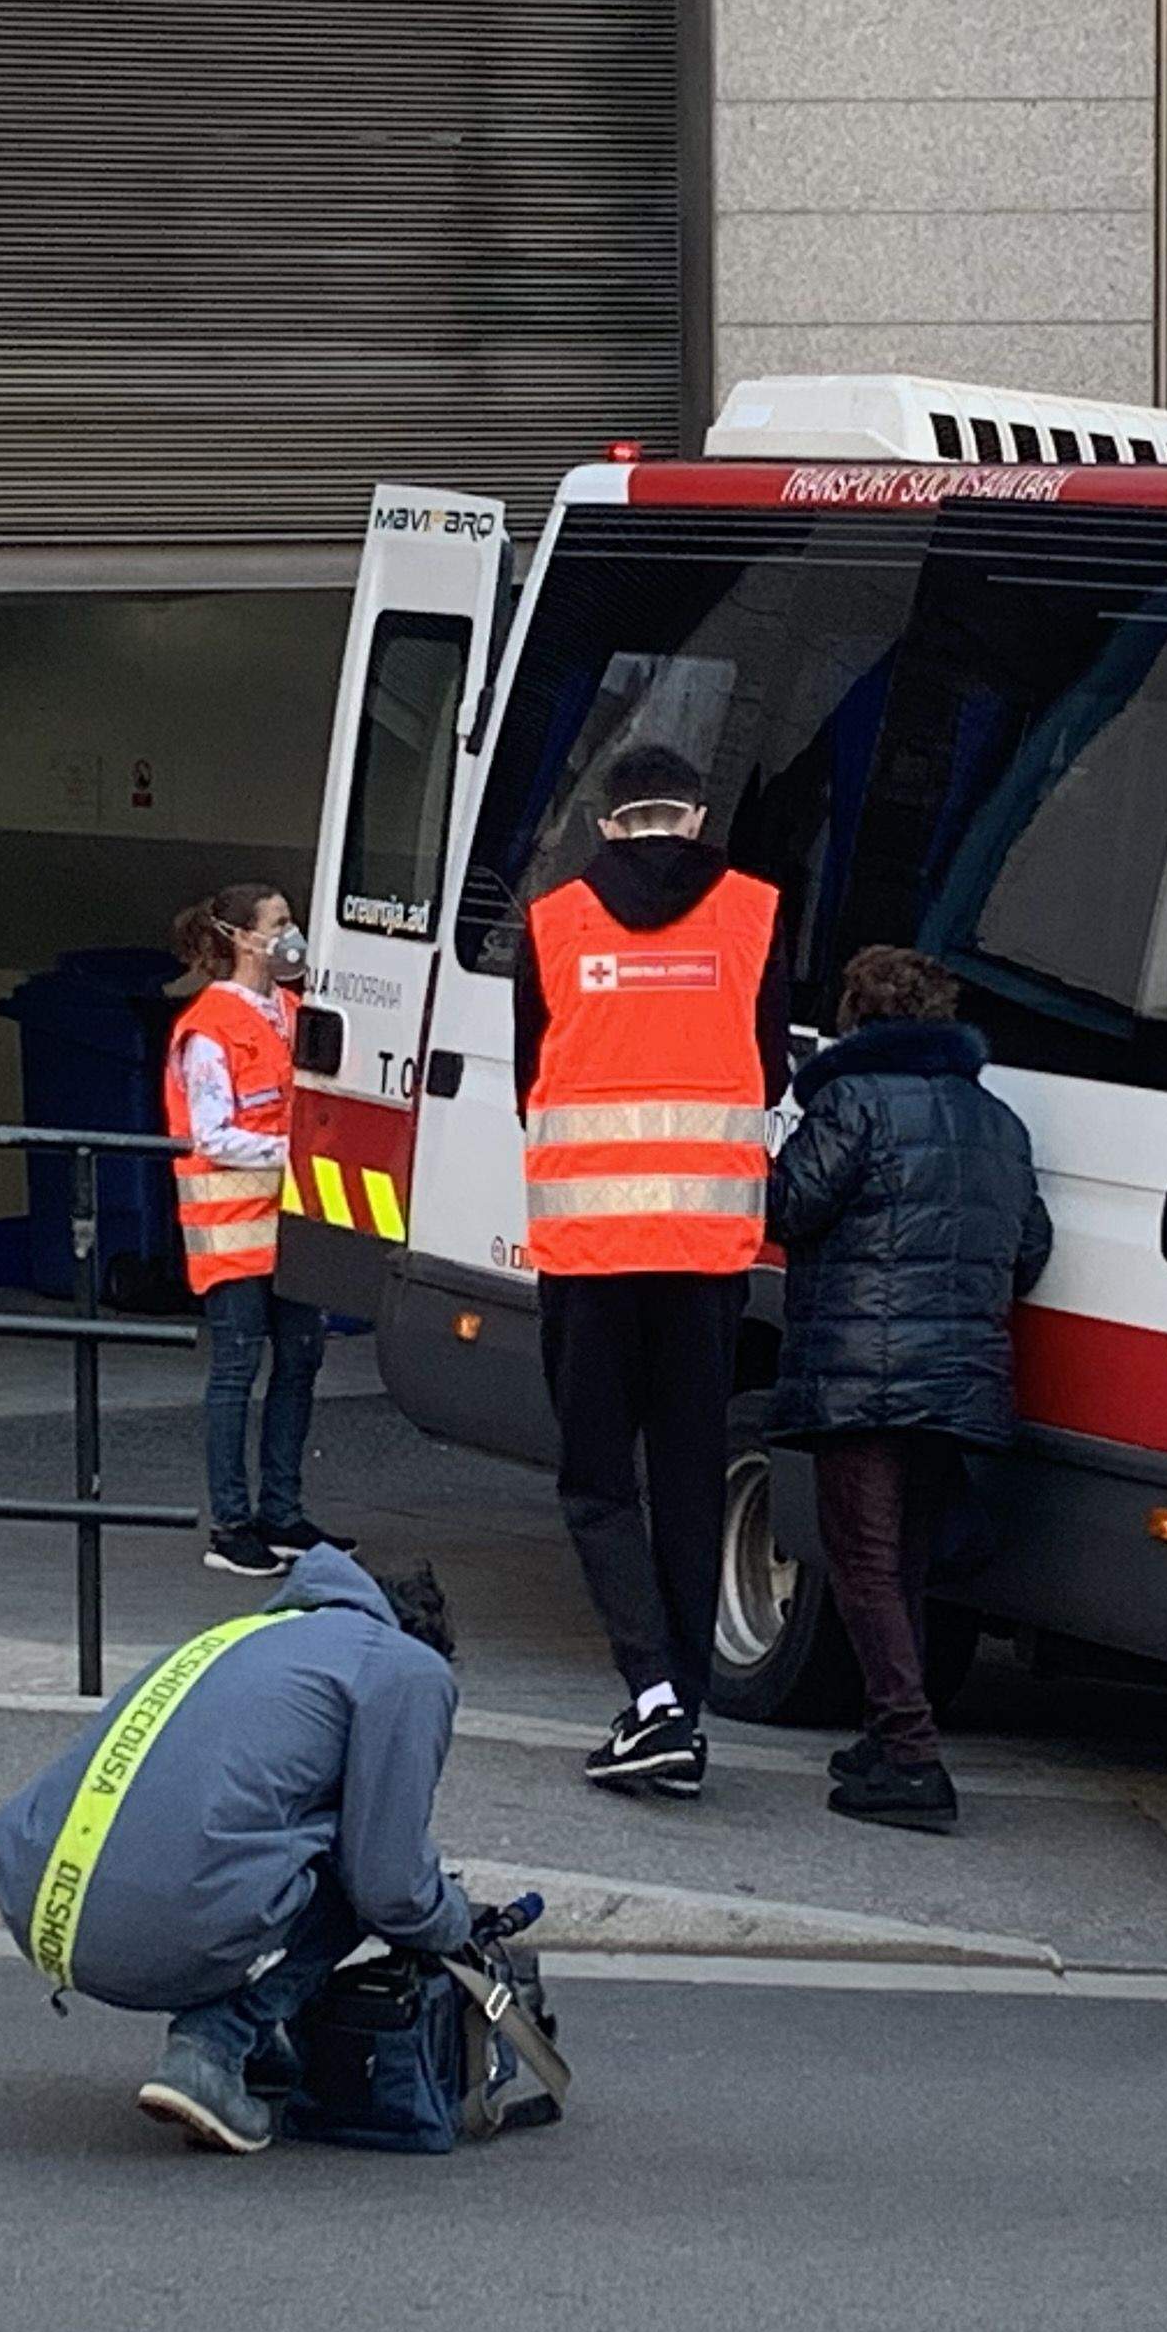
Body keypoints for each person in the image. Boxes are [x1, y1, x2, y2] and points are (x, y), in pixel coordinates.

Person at [0, 1551, 477, 2155]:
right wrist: (455, 1919)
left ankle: (259, 2046)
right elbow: (389, 1885)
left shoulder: (238, 1638)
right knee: (355, 1878)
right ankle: (214, 2046)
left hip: (40, 1910)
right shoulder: (407, 1669)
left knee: (269, 1838)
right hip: (161, 1927)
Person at [511, 742, 790, 1800]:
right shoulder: (756, 914)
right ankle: (683, 1706)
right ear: (699, 815)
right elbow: (768, 1073)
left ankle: (655, 1698)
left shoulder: (554, 921)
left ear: (607, 823)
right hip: (709, 1255)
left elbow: (533, 1083)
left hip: (589, 1255)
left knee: (595, 1480)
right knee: (686, 1475)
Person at [766, 947, 1051, 1835]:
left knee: (863, 1566)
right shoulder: (998, 1122)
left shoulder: (850, 1102)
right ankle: (882, 1742)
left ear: (857, 1015)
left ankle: (914, 1754)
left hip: (864, 1373)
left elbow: (786, 1208)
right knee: (909, 1569)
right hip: (958, 1378)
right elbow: (1030, 1249)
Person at [167, 880, 343, 1573]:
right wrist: (290, 1154)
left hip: (291, 1227)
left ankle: (282, 1513)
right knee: (237, 1370)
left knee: (300, 1360)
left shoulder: (292, 1012)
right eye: (280, 922)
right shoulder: (211, 1027)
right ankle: (231, 1525)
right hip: (236, 1228)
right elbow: (212, 1133)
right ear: (241, 937)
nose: (291, 932)